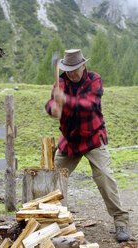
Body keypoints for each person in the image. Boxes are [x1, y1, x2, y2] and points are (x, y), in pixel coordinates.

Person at [45, 49, 130, 242]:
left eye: (75, 69)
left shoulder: (94, 79)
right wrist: (54, 108)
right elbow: (50, 105)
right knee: (53, 180)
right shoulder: (60, 83)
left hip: (92, 137)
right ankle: (58, 222)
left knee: (105, 177)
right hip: (70, 139)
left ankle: (121, 222)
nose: (71, 73)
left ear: (84, 65)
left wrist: (66, 100)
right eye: (68, 69)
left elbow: (90, 104)